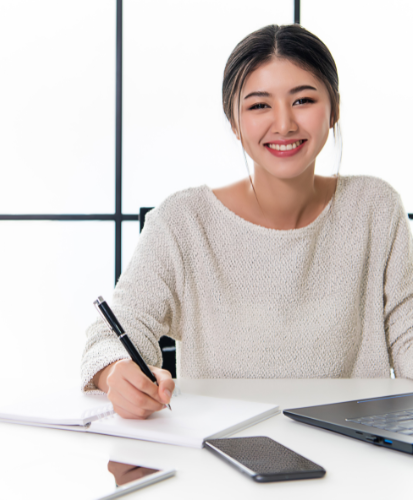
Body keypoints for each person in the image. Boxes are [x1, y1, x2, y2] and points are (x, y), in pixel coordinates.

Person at [81, 24, 413, 419]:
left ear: (334, 108)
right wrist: (117, 374)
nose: (285, 123)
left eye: (303, 100)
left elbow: (407, 336)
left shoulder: (376, 207)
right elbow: (111, 336)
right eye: (259, 105)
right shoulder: (183, 221)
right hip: (226, 451)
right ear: (234, 121)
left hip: (357, 452)